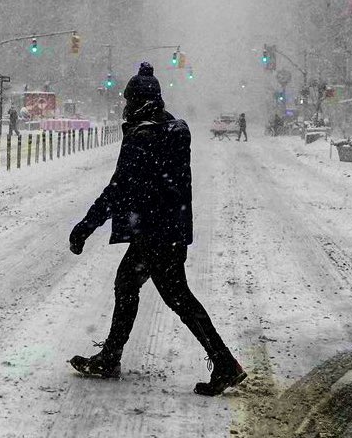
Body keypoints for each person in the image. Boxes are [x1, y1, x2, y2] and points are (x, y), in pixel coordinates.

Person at [67, 62, 246, 396]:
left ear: (137, 102)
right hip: (170, 229)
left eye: (128, 99)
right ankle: (113, 356)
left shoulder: (143, 136)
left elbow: (118, 188)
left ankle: (222, 362)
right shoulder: (171, 130)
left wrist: (86, 226)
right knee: (142, 287)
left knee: (173, 297)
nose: (125, 105)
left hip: (154, 234)